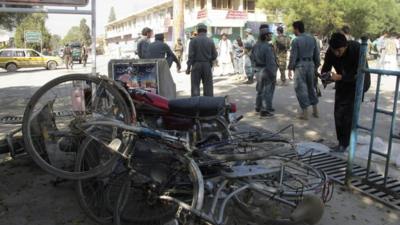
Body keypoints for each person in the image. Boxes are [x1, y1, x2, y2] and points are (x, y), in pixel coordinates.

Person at [321, 33, 370, 152]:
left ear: (346, 45)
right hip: (342, 83)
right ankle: (342, 141)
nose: (337, 54)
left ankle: (345, 143)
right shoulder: (331, 51)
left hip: (358, 82)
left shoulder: (357, 49)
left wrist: (341, 77)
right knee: (338, 113)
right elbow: (326, 67)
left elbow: (360, 75)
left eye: (339, 51)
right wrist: (324, 76)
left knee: (348, 114)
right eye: (334, 51)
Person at [288, 21, 320, 120]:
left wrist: (290, 68)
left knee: (300, 88)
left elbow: (293, 56)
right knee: (311, 86)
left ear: (297, 28)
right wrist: (316, 66)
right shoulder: (312, 39)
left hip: (300, 65)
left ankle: (305, 113)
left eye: (293, 28)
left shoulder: (296, 41)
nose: (293, 30)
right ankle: (315, 111)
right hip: (311, 65)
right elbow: (317, 54)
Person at [251, 26, 278, 117]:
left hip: (258, 71)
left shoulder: (255, 45)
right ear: (265, 36)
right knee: (268, 91)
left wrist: (254, 69)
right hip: (266, 71)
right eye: (269, 34)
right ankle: (266, 110)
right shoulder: (268, 47)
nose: (270, 36)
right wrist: (273, 74)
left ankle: (258, 107)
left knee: (259, 90)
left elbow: (252, 58)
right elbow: (270, 62)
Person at [186, 23, 218, 97]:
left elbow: (190, 56)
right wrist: (210, 61)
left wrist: (188, 68)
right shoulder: (210, 41)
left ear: (197, 31)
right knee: (208, 87)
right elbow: (215, 55)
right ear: (206, 31)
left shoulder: (193, 41)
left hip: (196, 65)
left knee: (195, 87)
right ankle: (208, 105)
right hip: (207, 65)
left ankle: (195, 105)